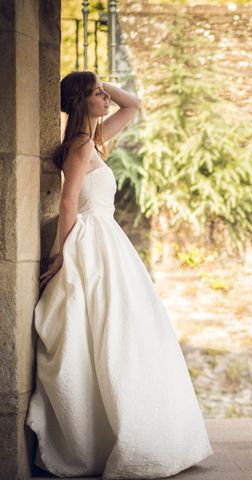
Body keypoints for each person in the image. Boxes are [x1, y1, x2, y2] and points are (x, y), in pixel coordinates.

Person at [25, 71, 213, 479]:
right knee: (99, 332)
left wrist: (100, 85)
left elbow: (134, 105)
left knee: (129, 331)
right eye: (96, 94)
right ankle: (100, 436)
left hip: (108, 240)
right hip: (90, 240)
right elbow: (70, 202)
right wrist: (63, 255)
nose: (105, 99)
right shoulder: (78, 146)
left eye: (103, 93)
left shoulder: (95, 140)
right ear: (80, 102)